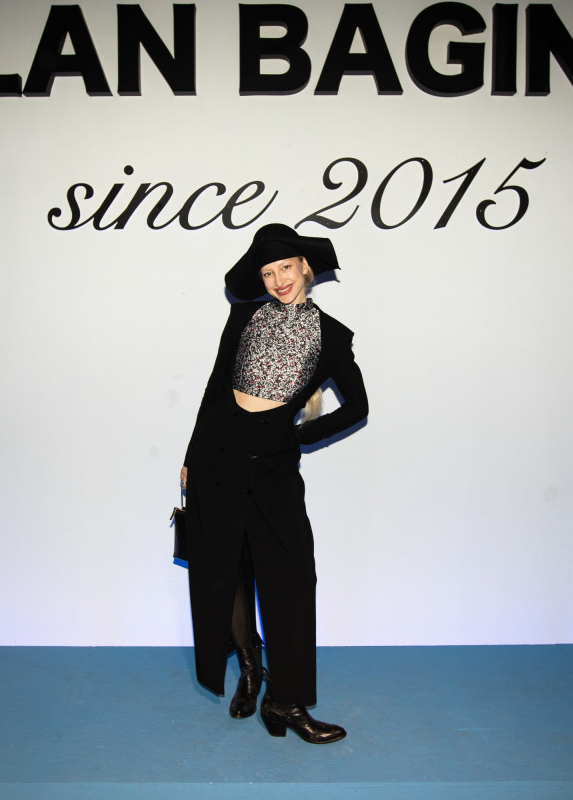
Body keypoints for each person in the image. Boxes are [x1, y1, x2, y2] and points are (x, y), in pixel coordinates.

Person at [179, 223, 368, 744]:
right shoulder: (243, 316)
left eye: (286, 266)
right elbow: (215, 387)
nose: (279, 279)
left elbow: (358, 406)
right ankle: (249, 667)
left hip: (274, 466)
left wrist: (298, 435)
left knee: (291, 578)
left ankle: (284, 701)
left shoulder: (332, 335)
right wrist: (192, 456)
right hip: (218, 456)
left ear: (305, 266)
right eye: (267, 272)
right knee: (227, 570)